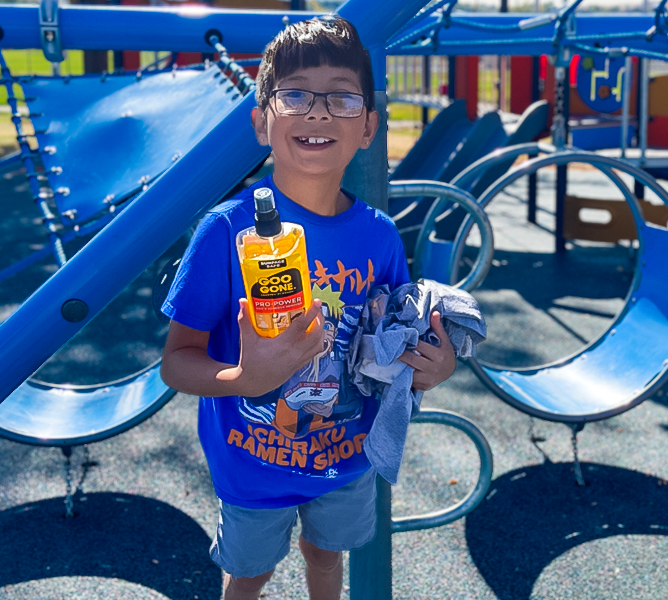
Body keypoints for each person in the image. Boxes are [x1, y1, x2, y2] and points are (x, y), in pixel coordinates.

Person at [159, 16, 456, 600]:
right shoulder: (226, 231)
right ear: (261, 121)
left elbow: (395, 343)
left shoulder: (379, 237)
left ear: (369, 126)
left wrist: (432, 369)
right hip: (252, 467)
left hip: (347, 458)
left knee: (326, 555)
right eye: (295, 94)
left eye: (342, 97)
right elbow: (176, 362)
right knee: (250, 573)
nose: (318, 112)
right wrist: (245, 377)